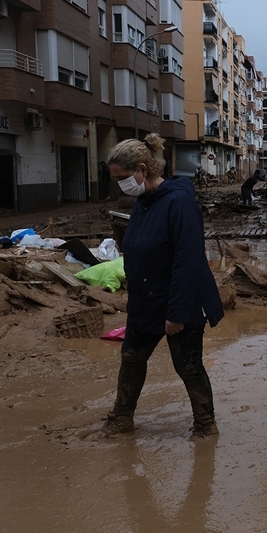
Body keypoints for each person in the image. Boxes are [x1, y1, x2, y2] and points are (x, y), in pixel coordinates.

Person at [98, 134, 225, 440]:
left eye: (123, 177)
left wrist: (178, 313)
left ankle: (206, 427)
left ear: (142, 170)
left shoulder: (179, 203)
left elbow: (188, 261)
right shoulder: (143, 202)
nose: (120, 184)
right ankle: (121, 419)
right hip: (146, 301)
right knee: (131, 358)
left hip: (179, 303)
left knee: (188, 366)